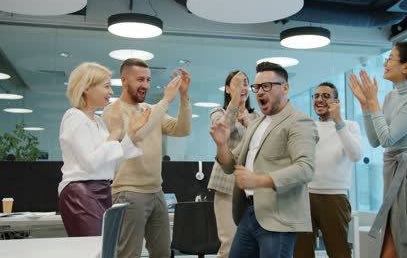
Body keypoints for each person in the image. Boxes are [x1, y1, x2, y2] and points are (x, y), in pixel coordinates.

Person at [210, 61, 318, 258]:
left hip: (278, 218)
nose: (259, 92)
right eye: (257, 87)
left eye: (266, 86)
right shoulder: (257, 122)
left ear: (285, 88)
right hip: (249, 213)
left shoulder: (299, 121)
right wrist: (221, 144)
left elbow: (305, 168)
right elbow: (230, 165)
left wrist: (259, 180)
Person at [348, 42, 407, 257]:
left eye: (390, 58)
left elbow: (388, 139)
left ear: (406, 67)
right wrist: (365, 105)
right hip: (393, 176)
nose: (385, 63)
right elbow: (375, 141)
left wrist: (372, 101)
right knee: (391, 245)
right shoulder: (391, 96)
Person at [102, 58, 192, 258]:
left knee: (162, 253)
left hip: (156, 191)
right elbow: (138, 134)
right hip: (129, 192)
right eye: (140, 79)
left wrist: (183, 97)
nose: (145, 85)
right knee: (129, 254)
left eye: (148, 80)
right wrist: (166, 100)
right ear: (124, 81)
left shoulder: (150, 110)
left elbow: (183, 128)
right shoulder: (112, 111)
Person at [59, 62, 150, 237]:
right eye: (106, 86)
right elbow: (91, 163)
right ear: (86, 88)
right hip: (81, 192)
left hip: (102, 189)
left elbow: (111, 163)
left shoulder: (98, 121)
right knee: (92, 249)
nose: (111, 92)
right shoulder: (74, 117)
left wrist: (131, 132)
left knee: (105, 248)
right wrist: (115, 134)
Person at [294, 82, 363, 258]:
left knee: (339, 252)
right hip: (305, 196)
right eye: (316, 96)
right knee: (300, 253)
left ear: (336, 101)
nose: (319, 100)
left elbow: (355, 155)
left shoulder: (350, 125)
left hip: (335, 198)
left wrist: (338, 121)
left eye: (325, 96)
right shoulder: (307, 126)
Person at [207, 70, 260, 258]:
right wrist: (235, 104)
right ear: (228, 89)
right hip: (227, 185)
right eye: (237, 84)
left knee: (253, 246)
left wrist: (247, 123)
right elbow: (221, 127)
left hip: (254, 189)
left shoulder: (257, 117)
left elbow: (261, 144)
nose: (243, 87)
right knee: (229, 245)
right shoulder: (218, 112)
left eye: (245, 83)